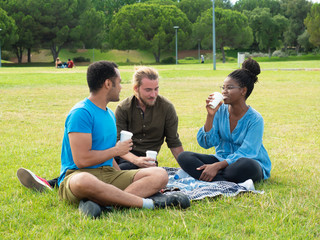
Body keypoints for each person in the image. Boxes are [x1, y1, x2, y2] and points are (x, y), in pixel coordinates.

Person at [17, 61, 190, 218]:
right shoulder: (81, 113)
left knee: (159, 174)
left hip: (107, 175)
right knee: (83, 181)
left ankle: (105, 203)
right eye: (119, 82)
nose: (121, 87)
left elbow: (109, 158)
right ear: (108, 84)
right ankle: (149, 204)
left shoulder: (108, 114)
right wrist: (117, 150)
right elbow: (82, 160)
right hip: (77, 175)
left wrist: (119, 173)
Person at [177, 58, 271, 183]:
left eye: (229, 88)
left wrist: (216, 166)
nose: (224, 91)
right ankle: (221, 178)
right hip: (221, 159)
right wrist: (210, 116)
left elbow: (248, 152)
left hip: (246, 163)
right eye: (223, 87)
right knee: (184, 157)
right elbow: (206, 143)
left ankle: (210, 174)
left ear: (243, 90)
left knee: (247, 166)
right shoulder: (220, 111)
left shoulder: (255, 119)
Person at [114, 66, 184, 170]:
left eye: (156, 89)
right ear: (136, 88)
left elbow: (173, 142)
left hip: (147, 161)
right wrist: (135, 160)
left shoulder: (166, 108)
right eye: (148, 90)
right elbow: (116, 143)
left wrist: (186, 167)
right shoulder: (123, 108)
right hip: (124, 156)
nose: (153, 94)